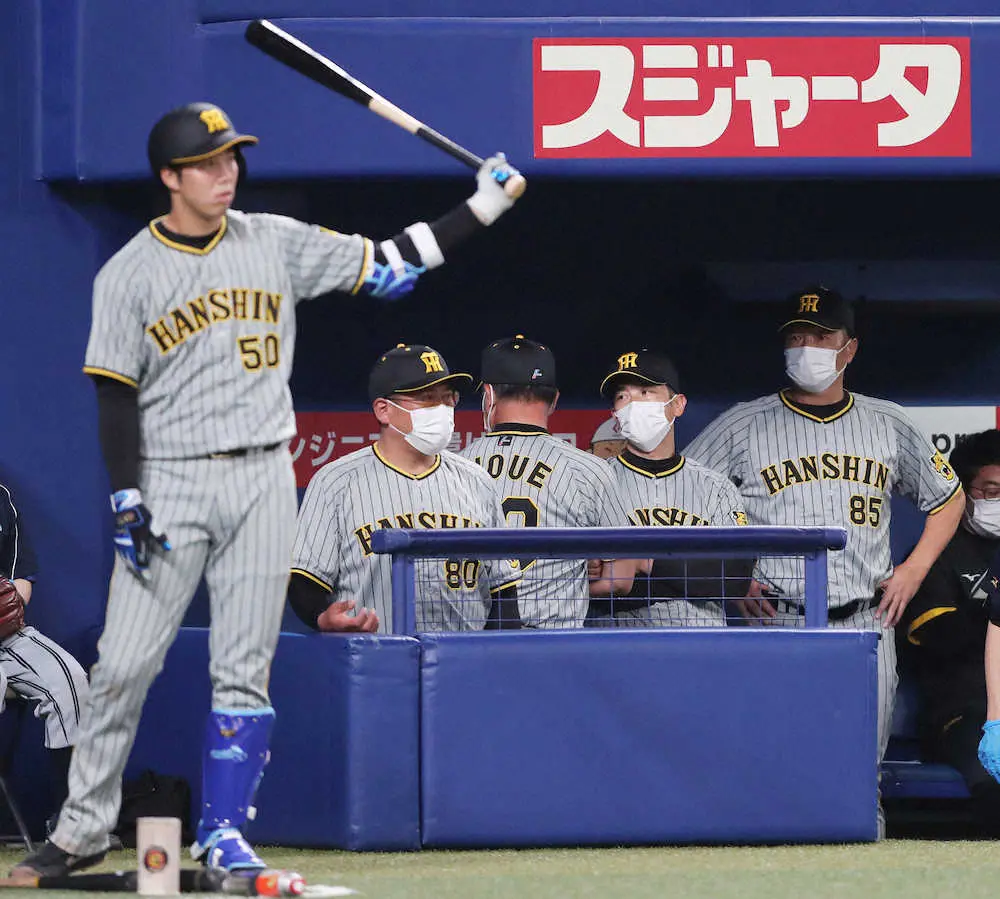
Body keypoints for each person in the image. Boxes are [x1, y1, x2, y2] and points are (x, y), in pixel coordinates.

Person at [13, 102, 524, 879]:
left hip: (262, 475)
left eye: (232, 160)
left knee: (246, 666)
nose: (227, 174)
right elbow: (116, 395)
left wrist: (481, 207)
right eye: (210, 163)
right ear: (171, 177)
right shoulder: (130, 273)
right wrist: (126, 497)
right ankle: (82, 827)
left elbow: (388, 267)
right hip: (175, 476)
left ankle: (224, 830)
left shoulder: (271, 241)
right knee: (123, 661)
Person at [684, 286, 963, 768]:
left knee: (859, 773)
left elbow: (950, 496)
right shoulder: (743, 424)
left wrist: (915, 569)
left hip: (866, 619)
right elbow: (678, 498)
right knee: (772, 765)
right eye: (797, 336)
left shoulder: (888, 421)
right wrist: (728, 574)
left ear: (849, 348)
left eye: (820, 335)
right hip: (777, 620)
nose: (807, 347)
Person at [288, 344, 522, 634]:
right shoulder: (335, 482)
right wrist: (323, 618)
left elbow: (504, 589)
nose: (442, 408)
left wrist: (494, 656)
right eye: (426, 398)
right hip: (374, 657)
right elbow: (304, 581)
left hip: (462, 659)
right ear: (384, 410)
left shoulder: (477, 481)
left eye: (448, 398)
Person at [457, 336, 635, 628]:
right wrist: (567, 578)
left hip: (475, 642)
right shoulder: (588, 470)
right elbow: (621, 580)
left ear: (488, 395)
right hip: (551, 642)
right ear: (554, 400)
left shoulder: (458, 468)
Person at [599, 350, 752, 627]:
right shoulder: (594, 483)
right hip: (617, 645)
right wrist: (690, 576)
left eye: (646, 392)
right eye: (623, 396)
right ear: (615, 416)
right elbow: (590, 584)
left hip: (700, 647)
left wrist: (645, 563)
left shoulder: (715, 487)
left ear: (678, 405)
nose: (632, 403)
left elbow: (735, 578)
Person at [897, 430, 1000, 829]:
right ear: (964, 493)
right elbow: (938, 636)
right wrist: (991, 611)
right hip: (962, 710)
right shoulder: (936, 555)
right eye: (990, 490)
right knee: (991, 781)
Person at [0, 479, 90, 825]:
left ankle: (72, 820)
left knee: (70, 682)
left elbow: (20, 579)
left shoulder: (0, 497)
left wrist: (9, 603)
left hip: (7, 634)